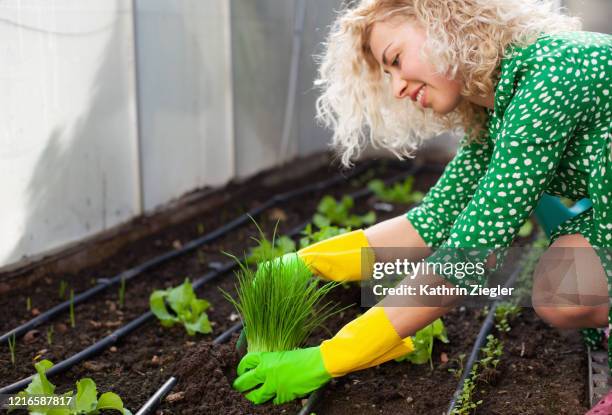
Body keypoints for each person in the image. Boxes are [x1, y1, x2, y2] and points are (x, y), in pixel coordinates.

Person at [233, 0, 612, 408]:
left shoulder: (551, 77)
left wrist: (330, 358)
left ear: (445, 22)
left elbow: (467, 258)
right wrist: (310, 264)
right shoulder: (497, 104)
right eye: (387, 73)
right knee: (565, 287)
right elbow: (430, 224)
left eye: (395, 59)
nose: (396, 86)